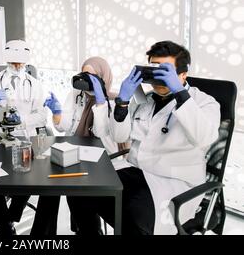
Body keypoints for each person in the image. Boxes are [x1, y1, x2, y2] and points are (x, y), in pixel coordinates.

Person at [67, 41, 221, 235]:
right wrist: (122, 103)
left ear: (183, 75)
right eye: (153, 71)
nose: (157, 80)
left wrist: (180, 94)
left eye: (164, 73)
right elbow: (119, 135)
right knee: (79, 190)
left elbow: (205, 137)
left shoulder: (205, 103)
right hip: (137, 173)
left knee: (133, 216)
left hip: (173, 182)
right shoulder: (145, 101)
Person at [0, 39, 53, 235]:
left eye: (21, 63)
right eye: (13, 63)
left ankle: (7, 219)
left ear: (26, 62)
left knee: (31, 173)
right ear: (7, 60)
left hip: (24, 137)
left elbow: (43, 115)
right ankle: (5, 226)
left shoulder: (34, 84)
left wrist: (23, 120)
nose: (17, 66)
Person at [38, 56, 120, 235]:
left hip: (103, 158)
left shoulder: (115, 102)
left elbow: (101, 134)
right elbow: (64, 127)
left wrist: (100, 103)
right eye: (84, 74)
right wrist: (57, 112)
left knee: (76, 189)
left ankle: (88, 230)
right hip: (75, 151)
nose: (86, 80)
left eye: (92, 76)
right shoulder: (76, 94)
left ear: (103, 77)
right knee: (48, 182)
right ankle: (42, 236)